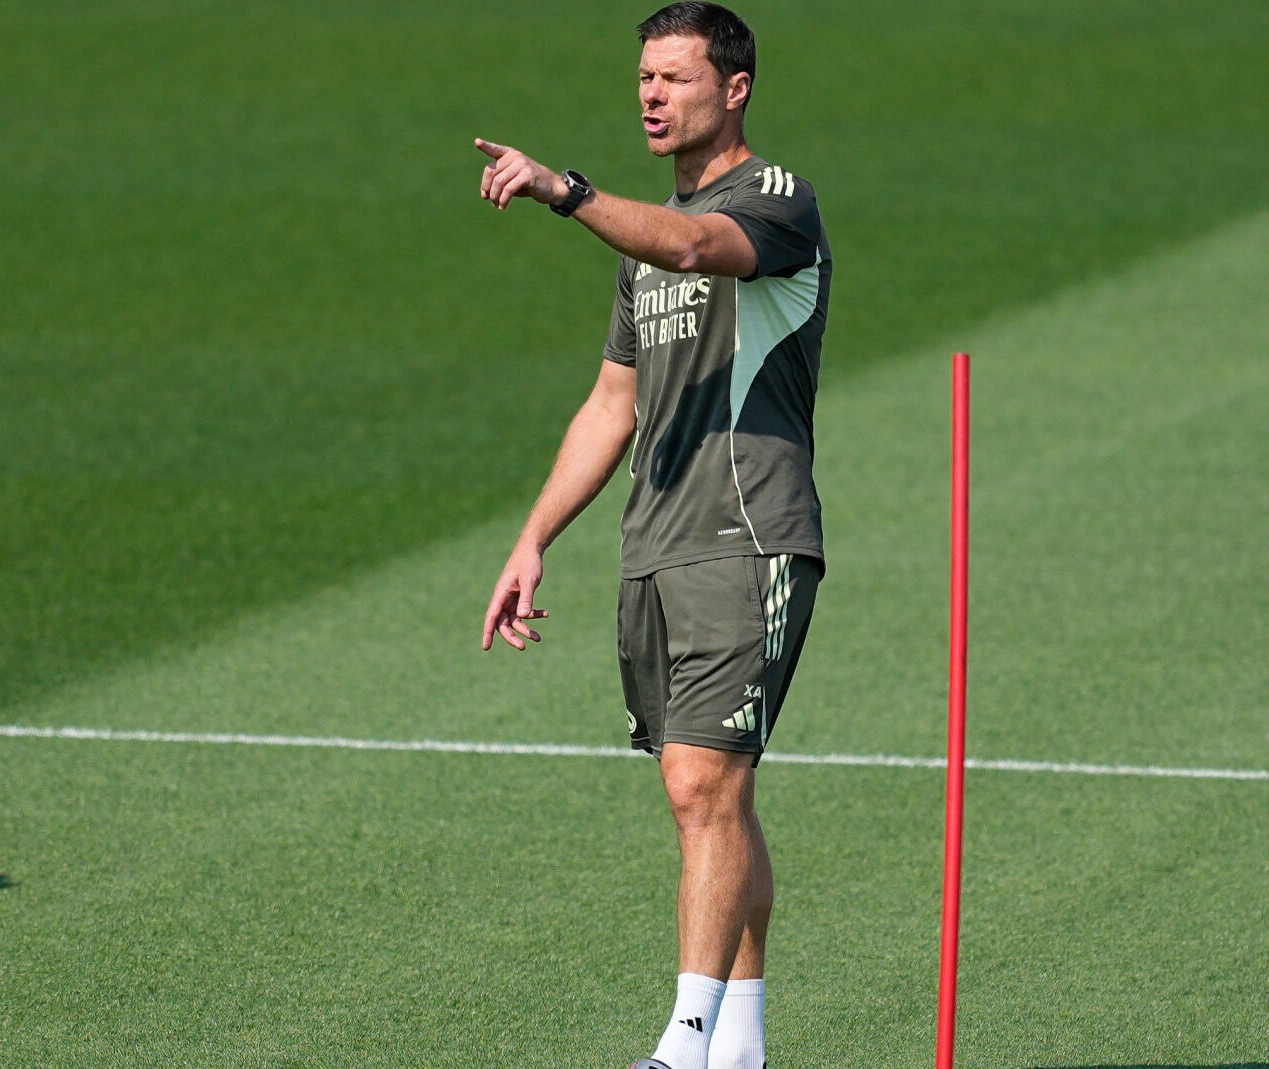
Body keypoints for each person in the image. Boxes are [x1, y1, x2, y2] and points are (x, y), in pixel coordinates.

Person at [476, 5, 829, 1067]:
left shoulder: (774, 200)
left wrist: (565, 191)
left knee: (699, 782)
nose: (651, 95)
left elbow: (692, 243)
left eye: (675, 77)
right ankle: (741, 1047)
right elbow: (610, 404)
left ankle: (683, 1045)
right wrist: (534, 536)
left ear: (735, 88)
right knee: (713, 798)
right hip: (657, 547)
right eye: (644, 77)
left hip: (747, 533)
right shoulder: (639, 244)